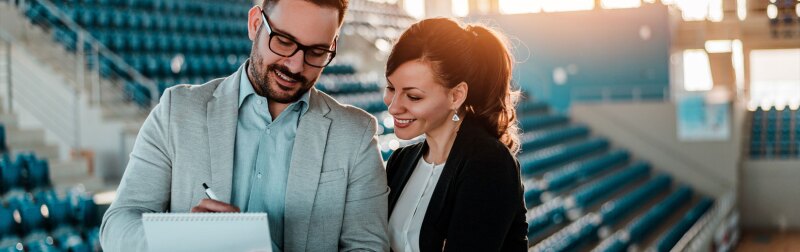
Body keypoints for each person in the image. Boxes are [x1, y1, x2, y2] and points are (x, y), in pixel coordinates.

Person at [100, 0, 389, 251]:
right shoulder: (177, 110)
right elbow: (118, 225)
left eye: (316, 52)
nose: (296, 66)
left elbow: (369, 248)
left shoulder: (356, 134)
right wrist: (186, 239)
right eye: (284, 41)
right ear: (255, 24)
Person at [383, 18, 528, 252]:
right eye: (391, 88)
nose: (393, 106)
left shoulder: (489, 162)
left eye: (413, 96)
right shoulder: (401, 161)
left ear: (456, 96)